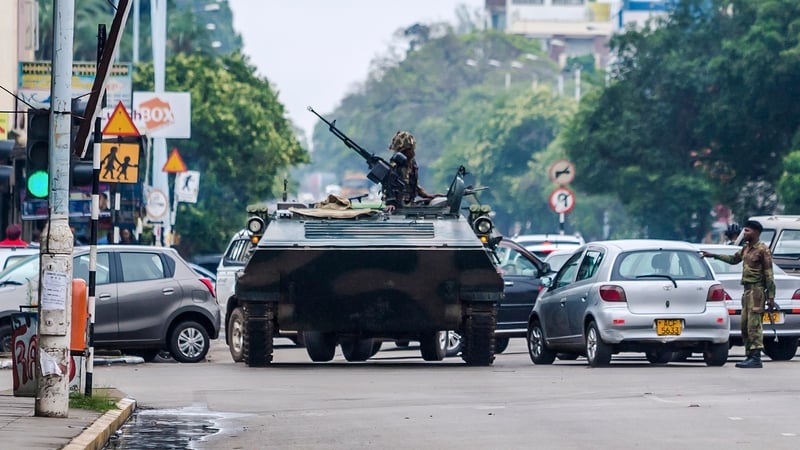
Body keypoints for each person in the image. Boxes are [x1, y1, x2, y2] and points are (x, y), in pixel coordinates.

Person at [700, 219, 775, 368]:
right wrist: (713, 255)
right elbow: (733, 259)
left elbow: (769, 274)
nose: (744, 233)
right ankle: (749, 355)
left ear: (756, 232)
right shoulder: (746, 248)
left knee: (754, 325)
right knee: (745, 325)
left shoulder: (763, 250)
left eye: (747, 231)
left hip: (757, 291)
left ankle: (756, 357)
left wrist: (771, 297)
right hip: (747, 291)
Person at [383, 131, 441, 213]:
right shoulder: (396, 164)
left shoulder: (412, 163)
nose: (412, 152)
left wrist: (426, 195)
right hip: (397, 207)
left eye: (411, 149)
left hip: (409, 205)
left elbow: (414, 184)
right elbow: (388, 185)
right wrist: (390, 202)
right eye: (407, 150)